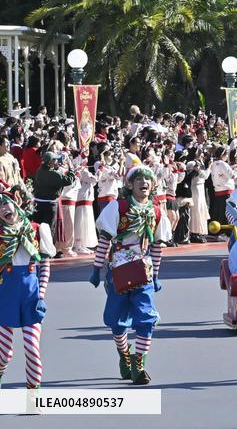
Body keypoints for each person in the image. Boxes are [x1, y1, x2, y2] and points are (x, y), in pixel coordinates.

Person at [89, 165, 173, 385]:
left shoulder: (156, 211)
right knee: (118, 321)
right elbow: (105, 240)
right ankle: (124, 355)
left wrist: (156, 274)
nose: (144, 183)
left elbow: (156, 246)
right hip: (118, 270)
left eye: (148, 179)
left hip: (143, 271)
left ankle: (139, 365)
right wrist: (97, 269)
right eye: (139, 179)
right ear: (130, 184)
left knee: (146, 319)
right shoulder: (118, 207)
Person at [0, 188, 54, 390]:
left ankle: (33, 396)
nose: (4, 208)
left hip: (30, 296)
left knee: (32, 348)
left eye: (6, 203)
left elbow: (45, 264)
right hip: (4, 297)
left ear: (17, 202)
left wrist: (41, 295)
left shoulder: (37, 229)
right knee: (3, 353)